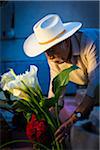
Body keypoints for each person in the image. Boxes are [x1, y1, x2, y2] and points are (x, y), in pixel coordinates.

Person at [23, 14, 99, 143]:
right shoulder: (53, 57)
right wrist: (45, 123)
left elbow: (95, 87)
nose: (49, 56)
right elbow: (56, 95)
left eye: (52, 49)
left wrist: (73, 119)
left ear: (66, 40)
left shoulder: (91, 42)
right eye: (45, 51)